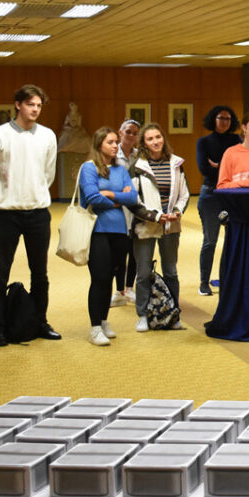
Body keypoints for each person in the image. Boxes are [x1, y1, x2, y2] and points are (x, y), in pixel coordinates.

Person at [0, 84, 61, 346]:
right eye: (30, 104)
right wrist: (5, 196)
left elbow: (48, 174)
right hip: (8, 214)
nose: (35, 109)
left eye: (39, 105)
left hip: (38, 213)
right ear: (17, 105)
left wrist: (33, 193)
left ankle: (40, 322)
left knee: (40, 273)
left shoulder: (47, 136)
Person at [78, 127, 140, 346]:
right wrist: (117, 200)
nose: (115, 146)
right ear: (99, 145)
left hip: (119, 231)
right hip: (97, 231)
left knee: (113, 276)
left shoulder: (120, 170)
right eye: (110, 142)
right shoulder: (89, 168)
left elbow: (132, 197)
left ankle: (104, 321)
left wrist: (112, 195)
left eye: (116, 142)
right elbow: (92, 196)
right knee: (100, 278)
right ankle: (95, 327)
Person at [127, 124, 188, 333]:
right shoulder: (137, 166)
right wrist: (156, 216)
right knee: (143, 272)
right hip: (146, 225)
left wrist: (178, 211)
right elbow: (132, 200)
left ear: (163, 138)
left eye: (158, 137)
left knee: (171, 271)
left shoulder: (176, 163)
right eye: (150, 139)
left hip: (171, 225)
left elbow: (184, 194)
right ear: (144, 143)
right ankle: (143, 315)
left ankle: (173, 314)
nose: (155, 142)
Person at [195, 105, 241, 295]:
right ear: (213, 119)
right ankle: (204, 282)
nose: (224, 122)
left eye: (228, 119)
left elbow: (240, 167)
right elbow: (204, 169)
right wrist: (226, 166)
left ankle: (228, 278)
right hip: (211, 194)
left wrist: (219, 164)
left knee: (233, 240)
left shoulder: (236, 140)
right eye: (221, 118)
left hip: (232, 194)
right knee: (210, 241)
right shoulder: (204, 142)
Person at [110, 118, 141, 309]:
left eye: (135, 133)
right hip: (118, 207)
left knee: (135, 251)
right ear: (120, 132)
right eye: (128, 131)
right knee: (119, 253)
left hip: (136, 208)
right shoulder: (113, 154)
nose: (131, 135)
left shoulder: (140, 156)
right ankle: (119, 290)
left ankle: (130, 287)